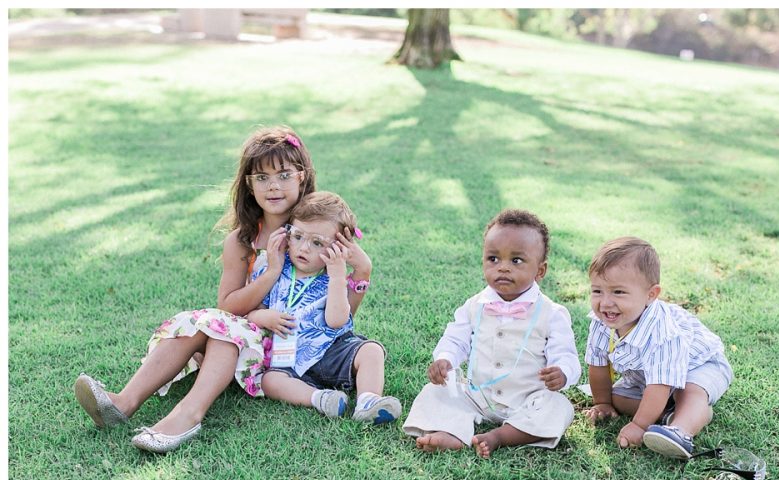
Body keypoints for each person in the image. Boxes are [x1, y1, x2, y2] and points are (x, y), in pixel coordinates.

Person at [74, 126, 373, 453]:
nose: (273, 186)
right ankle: (123, 403)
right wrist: (271, 272)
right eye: (261, 178)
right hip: (248, 332)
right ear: (249, 185)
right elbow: (229, 307)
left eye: (284, 174)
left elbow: (340, 318)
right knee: (212, 324)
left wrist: (362, 269)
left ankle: (187, 415)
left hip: (290, 351)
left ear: (302, 176)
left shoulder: (319, 230)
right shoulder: (243, 240)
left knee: (223, 330)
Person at [403, 209, 580, 458]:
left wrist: (562, 373)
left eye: (516, 260)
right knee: (436, 391)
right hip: (478, 395)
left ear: (540, 270)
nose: (503, 268)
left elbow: (567, 355)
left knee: (559, 407)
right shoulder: (474, 305)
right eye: (493, 259)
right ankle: (453, 432)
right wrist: (445, 359)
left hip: (528, 399)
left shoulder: (552, 313)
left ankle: (502, 436)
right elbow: (456, 339)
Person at [252, 191, 401, 424]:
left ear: (339, 248)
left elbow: (336, 320)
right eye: (298, 236)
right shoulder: (274, 267)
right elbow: (250, 311)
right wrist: (264, 316)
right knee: (269, 381)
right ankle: (321, 399)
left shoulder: (332, 276)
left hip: (332, 352)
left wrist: (337, 276)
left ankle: (368, 401)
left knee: (371, 350)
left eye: (318, 243)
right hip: (288, 359)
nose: (304, 248)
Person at [582, 236, 733, 459]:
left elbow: (659, 385)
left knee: (689, 392)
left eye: (618, 292)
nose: (605, 302)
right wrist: (603, 403)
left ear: (651, 295)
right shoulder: (601, 322)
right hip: (646, 375)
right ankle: (671, 415)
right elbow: (598, 366)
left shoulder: (663, 333)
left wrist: (639, 426)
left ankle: (680, 429)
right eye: (597, 291)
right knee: (618, 397)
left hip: (700, 365)